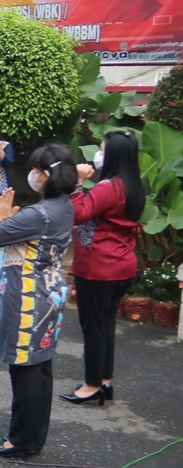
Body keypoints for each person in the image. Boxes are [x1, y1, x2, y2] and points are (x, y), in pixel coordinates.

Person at [0, 145, 77, 457]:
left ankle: (21, 439)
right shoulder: (64, 206)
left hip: (28, 295)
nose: (32, 175)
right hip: (50, 290)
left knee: (24, 367)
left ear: (46, 175)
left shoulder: (37, 214)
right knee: (40, 364)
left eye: (36, 170)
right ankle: (33, 435)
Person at [60, 129, 143, 406]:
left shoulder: (109, 187)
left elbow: (79, 212)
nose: (98, 154)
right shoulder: (132, 184)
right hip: (121, 265)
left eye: (102, 149)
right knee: (105, 325)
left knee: (94, 327)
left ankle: (92, 385)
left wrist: (78, 182)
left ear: (113, 155)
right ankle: (104, 380)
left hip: (100, 268)